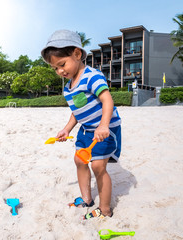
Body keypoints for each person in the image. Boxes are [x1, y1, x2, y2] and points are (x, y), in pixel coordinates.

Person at [41, 30, 121, 220]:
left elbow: (107, 100)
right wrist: (67, 129)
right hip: (86, 129)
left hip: (106, 128)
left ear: (77, 54)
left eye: (62, 64)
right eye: (55, 68)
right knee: (79, 160)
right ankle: (87, 199)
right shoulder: (68, 87)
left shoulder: (92, 76)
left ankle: (105, 209)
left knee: (98, 167)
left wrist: (103, 125)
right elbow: (77, 112)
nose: (60, 71)